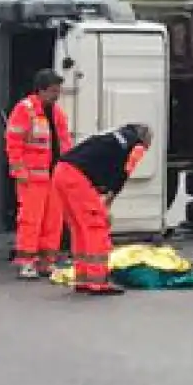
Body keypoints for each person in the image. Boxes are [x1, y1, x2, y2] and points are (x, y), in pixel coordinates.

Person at [51, 123, 153, 296]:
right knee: (96, 226)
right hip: (77, 177)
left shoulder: (113, 136)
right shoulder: (136, 144)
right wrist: (108, 202)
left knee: (79, 227)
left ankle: (83, 277)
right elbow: (124, 172)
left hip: (62, 172)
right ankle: (98, 281)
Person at [4, 69, 73, 279]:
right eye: (53, 91)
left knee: (52, 222)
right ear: (41, 90)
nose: (57, 95)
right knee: (30, 221)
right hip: (32, 177)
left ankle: (46, 262)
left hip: (53, 176)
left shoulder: (57, 113)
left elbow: (64, 143)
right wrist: (19, 170)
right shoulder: (25, 110)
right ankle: (27, 262)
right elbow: (13, 142)